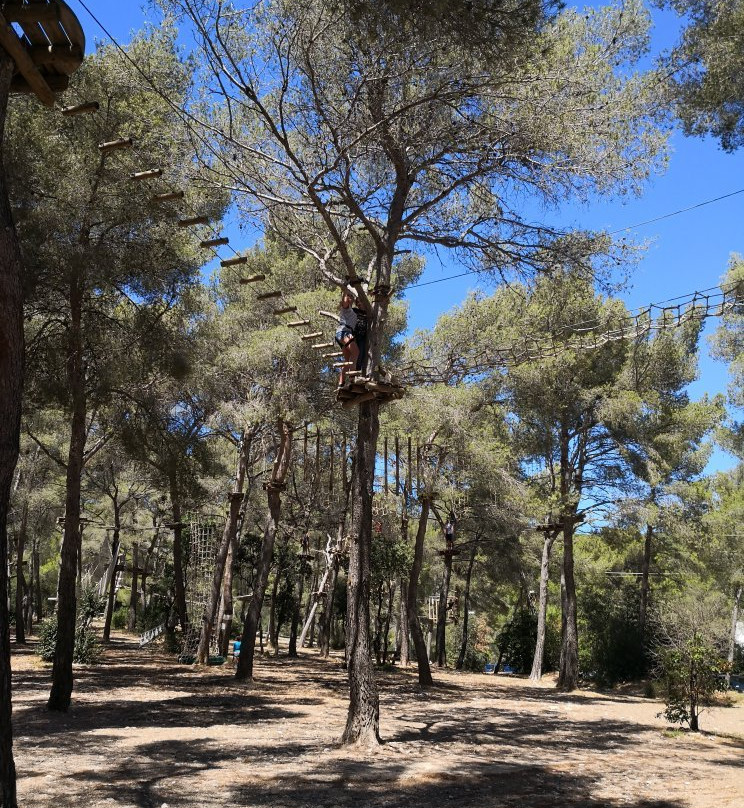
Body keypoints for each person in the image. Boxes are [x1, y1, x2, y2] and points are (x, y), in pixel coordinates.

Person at [335, 291, 359, 385]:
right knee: (356, 352)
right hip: (344, 332)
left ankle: (341, 382)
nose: (350, 298)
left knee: (347, 359)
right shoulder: (346, 308)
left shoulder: (352, 311)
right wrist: (346, 291)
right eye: (348, 296)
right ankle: (352, 378)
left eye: (351, 296)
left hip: (344, 333)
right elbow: (344, 301)